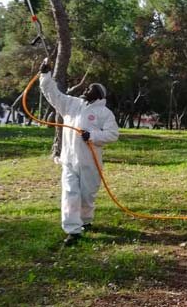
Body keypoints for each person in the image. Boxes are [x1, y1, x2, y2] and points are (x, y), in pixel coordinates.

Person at [39, 59, 119, 246]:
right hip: (69, 160)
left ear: (99, 95)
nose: (86, 89)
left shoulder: (104, 113)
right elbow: (53, 94)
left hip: (90, 162)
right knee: (70, 193)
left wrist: (92, 135)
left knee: (87, 195)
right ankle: (73, 231)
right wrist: (45, 75)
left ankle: (86, 220)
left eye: (91, 88)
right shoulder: (72, 104)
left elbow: (113, 134)